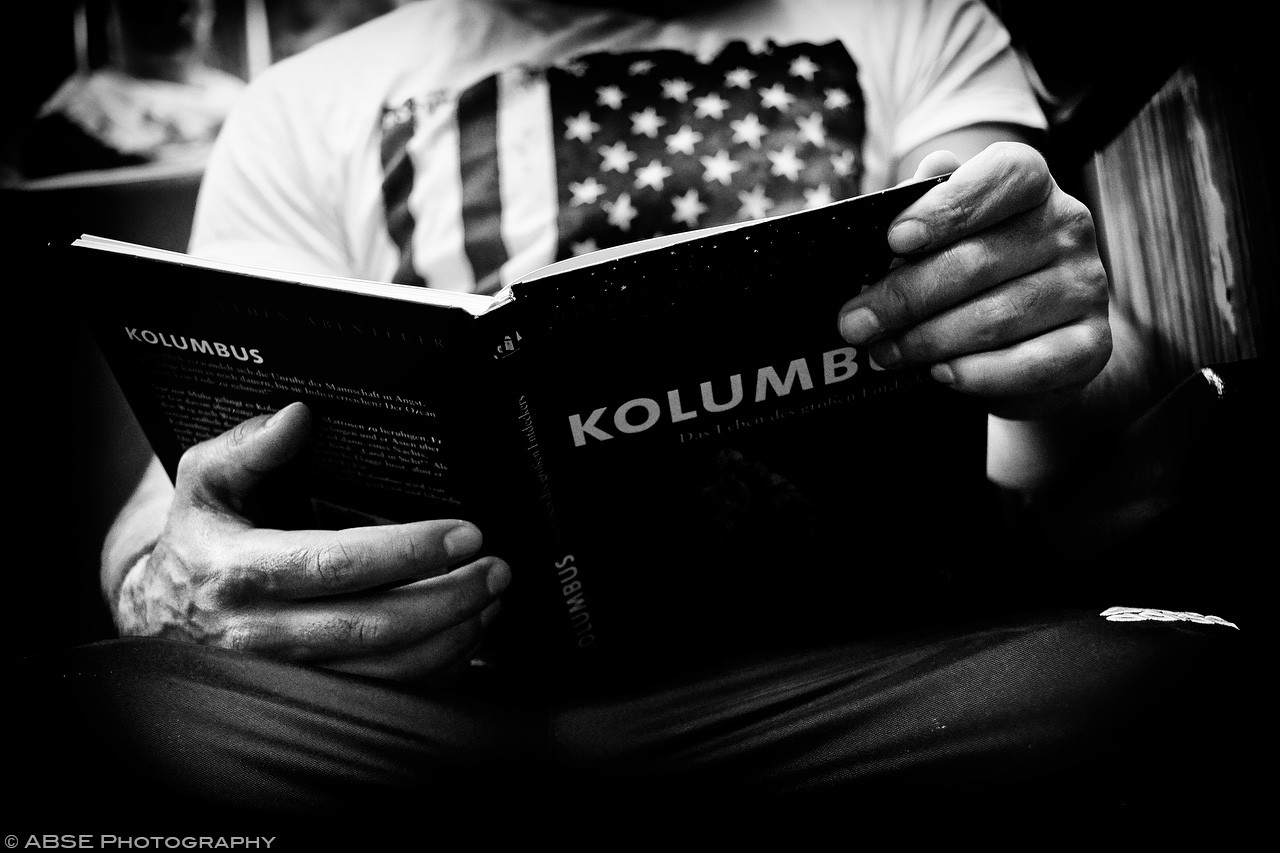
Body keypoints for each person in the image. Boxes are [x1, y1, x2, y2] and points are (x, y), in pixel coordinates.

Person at [12, 0, 1255, 836]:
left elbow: (1073, 392)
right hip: (431, 698)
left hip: (860, 667)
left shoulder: (908, 20)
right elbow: (171, 517)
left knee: (1175, 689)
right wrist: (172, 579)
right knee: (80, 719)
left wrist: (1059, 331)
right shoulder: (302, 105)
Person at [15, 0, 245, 180]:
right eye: (150, 8)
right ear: (114, 16)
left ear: (207, 12)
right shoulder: (82, 105)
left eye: (184, 8)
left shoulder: (237, 98)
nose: (170, 19)